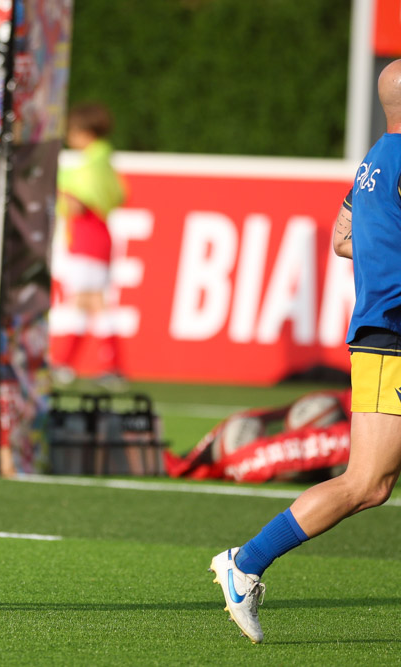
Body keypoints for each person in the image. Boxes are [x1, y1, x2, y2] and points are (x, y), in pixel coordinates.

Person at [210, 58, 401, 644]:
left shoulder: (375, 160)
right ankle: (244, 564)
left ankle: (245, 564)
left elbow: (343, 238)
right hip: (392, 338)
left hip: (382, 329)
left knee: (371, 483)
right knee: (366, 483)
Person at [49, 102, 127, 389]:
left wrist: (55, 189)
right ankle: (105, 365)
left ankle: (67, 364)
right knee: (93, 302)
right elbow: (119, 196)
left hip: (86, 238)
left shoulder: (89, 166)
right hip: (100, 237)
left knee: (86, 302)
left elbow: (77, 205)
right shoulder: (105, 163)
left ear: (85, 132)